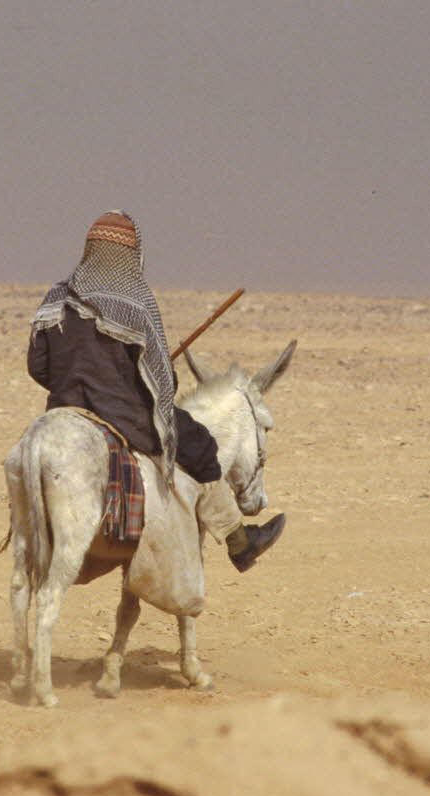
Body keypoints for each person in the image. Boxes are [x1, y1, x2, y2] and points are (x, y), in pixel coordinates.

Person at [28, 210, 285, 572]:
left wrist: (71, 386)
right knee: (200, 444)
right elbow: (163, 377)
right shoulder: (136, 302)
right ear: (132, 255)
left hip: (64, 408)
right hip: (123, 414)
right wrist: (135, 389)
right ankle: (238, 542)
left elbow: (37, 365)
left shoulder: (58, 297)